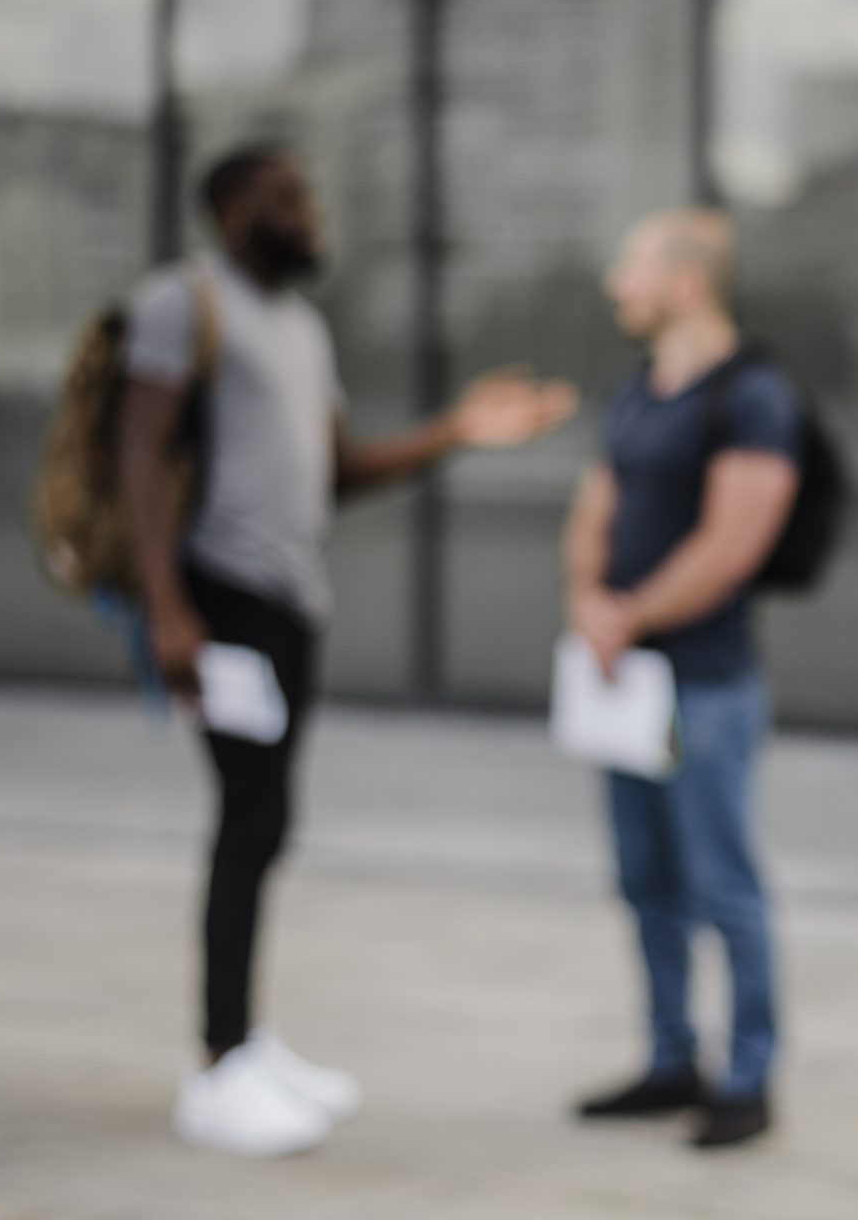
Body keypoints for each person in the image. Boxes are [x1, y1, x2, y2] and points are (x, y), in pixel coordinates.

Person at [120, 142, 576, 1157]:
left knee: (270, 818)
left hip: (288, 603)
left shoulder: (298, 323)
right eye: (286, 198)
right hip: (219, 600)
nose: (309, 212)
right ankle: (217, 1064)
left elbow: (340, 468)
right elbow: (138, 459)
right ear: (234, 209)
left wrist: (458, 428)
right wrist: (167, 609)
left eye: (309, 195)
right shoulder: (179, 301)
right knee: (247, 820)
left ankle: (247, 1040)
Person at [566, 209, 802, 1150]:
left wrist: (628, 613)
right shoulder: (638, 390)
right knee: (644, 879)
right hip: (626, 685)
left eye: (632, 266)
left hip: (705, 686)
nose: (617, 284)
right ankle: (671, 1060)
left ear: (687, 281)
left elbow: (732, 543)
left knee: (723, 884)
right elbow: (597, 502)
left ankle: (747, 1078)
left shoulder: (753, 396)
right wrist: (588, 597)